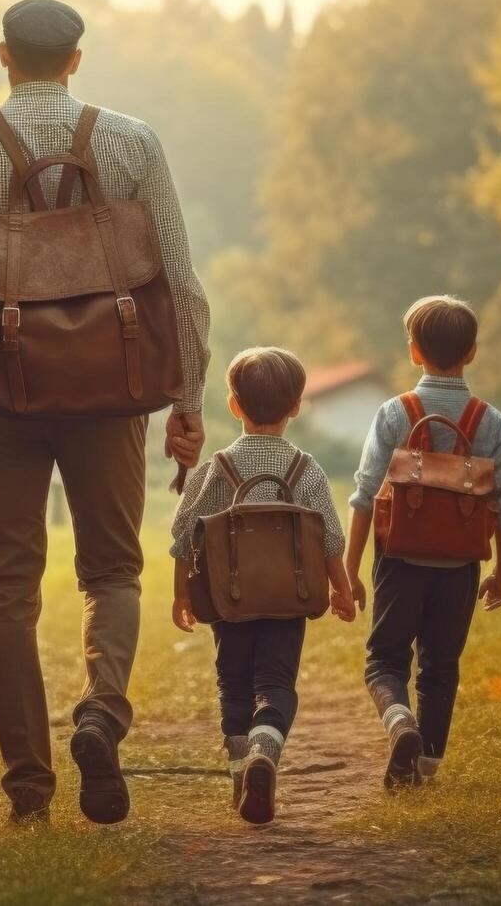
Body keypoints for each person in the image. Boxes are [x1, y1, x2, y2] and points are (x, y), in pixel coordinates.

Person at [0, 0, 211, 825]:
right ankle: (100, 714)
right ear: (75, 59)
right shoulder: (132, 142)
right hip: (112, 390)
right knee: (112, 570)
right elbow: (181, 284)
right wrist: (187, 399)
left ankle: (28, 788)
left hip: (0, 392)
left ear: (4, 57)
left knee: (9, 586)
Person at [169, 347, 354, 824]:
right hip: (288, 599)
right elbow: (330, 535)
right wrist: (342, 587)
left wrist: (182, 593)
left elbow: (184, 533)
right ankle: (265, 752)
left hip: (229, 599)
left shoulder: (217, 468)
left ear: (234, 405)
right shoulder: (305, 469)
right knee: (276, 683)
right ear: (296, 406)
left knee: (233, 683)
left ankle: (240, 773)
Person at [344, 295, 501, 788]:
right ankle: (425, 767)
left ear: (413, 351)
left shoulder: (394, 413)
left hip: (399, 561)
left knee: (385, 660)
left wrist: (349, 570)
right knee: (441, 666)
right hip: (460, 567)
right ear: (472, 352)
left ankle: (400, 722)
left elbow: (363, 495)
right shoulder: (490, 421)